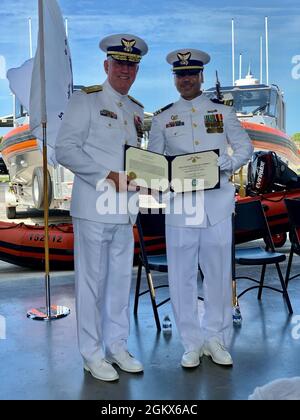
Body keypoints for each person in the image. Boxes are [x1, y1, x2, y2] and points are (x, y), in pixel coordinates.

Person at [148, 48, 253, 368]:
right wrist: (159, 183)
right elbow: (154, 162)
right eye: (180, 75)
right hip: (180, 207)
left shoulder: (222, 111)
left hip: (216, 205)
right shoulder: (164, 117)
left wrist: (228, 163)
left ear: (201, 76)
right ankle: (191, 342)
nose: (186, 80)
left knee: (218, 275)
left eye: (191, 74)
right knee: (181, 277)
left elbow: (245, 147)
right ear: (175, 79)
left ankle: (216, 339)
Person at [55, 34, 148, 382]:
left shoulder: (136, 110)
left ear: (137, 70)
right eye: (120, 63)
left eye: (132, 65)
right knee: (92, 284)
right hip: (94, 206)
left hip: (125, 210)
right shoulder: (85, 100)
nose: (125, 70)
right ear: (106, 65)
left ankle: (117, 346)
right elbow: (65, 149)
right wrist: (106, 175)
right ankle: (92, 354)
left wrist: (148, 181)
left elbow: (136, 163)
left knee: (119, 283)